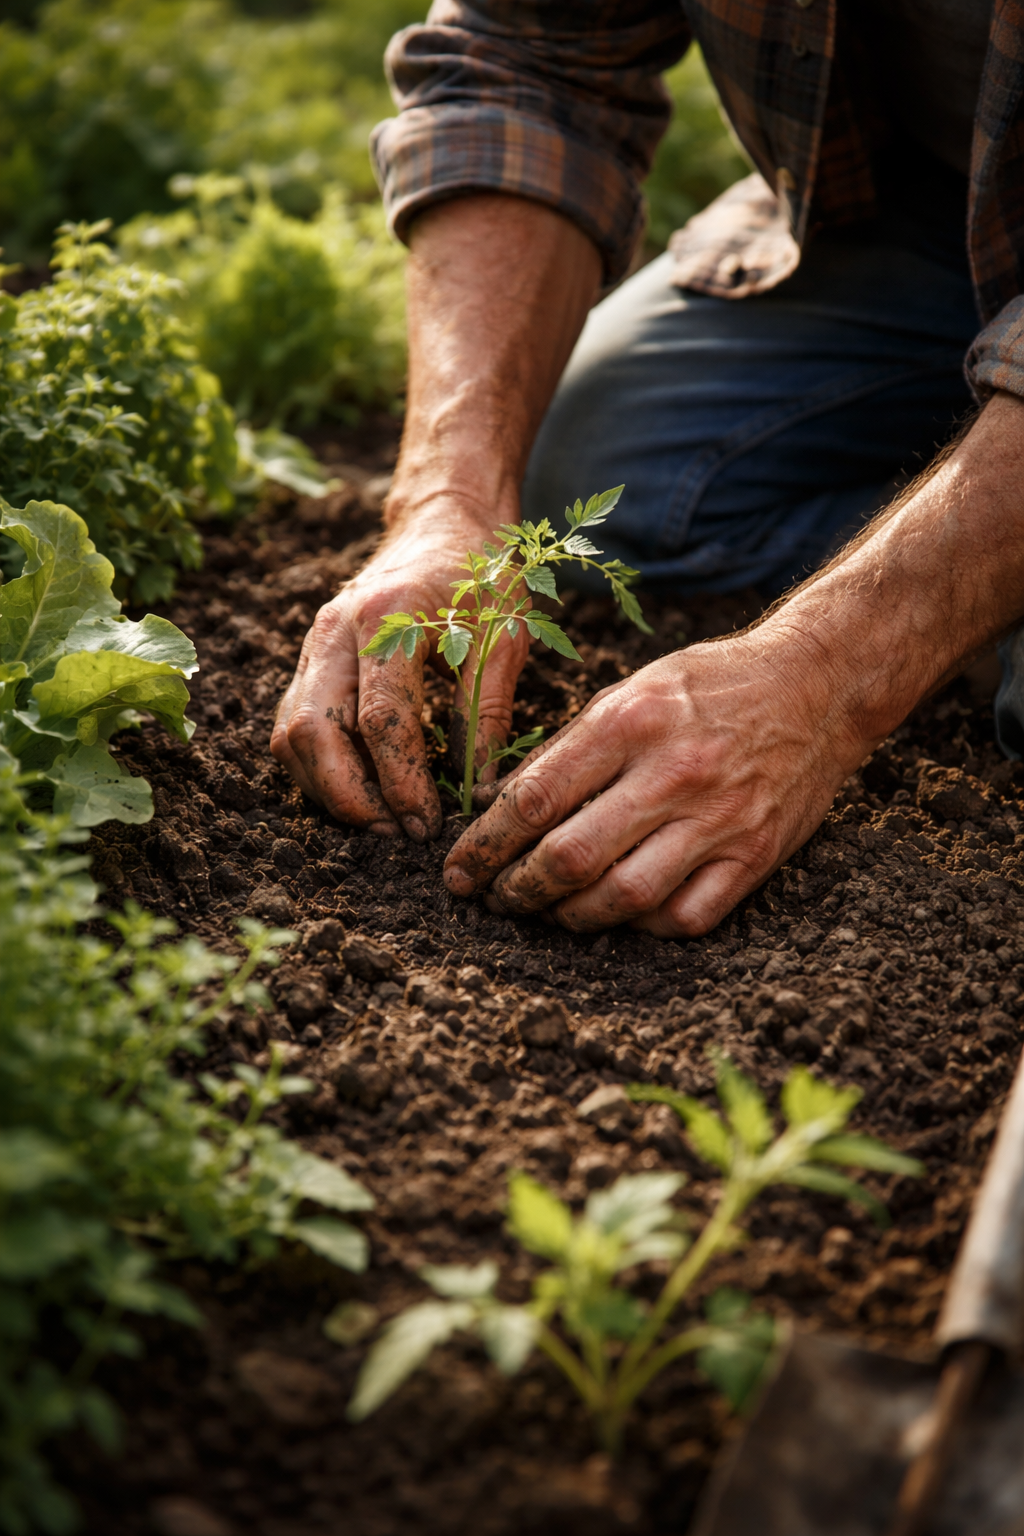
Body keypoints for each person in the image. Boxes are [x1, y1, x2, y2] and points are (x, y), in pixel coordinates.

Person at [272, 0, 1024, 939]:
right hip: (917, 206)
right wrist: (446, 498)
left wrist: (827, 672)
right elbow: (526, 62)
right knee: (596, 462)